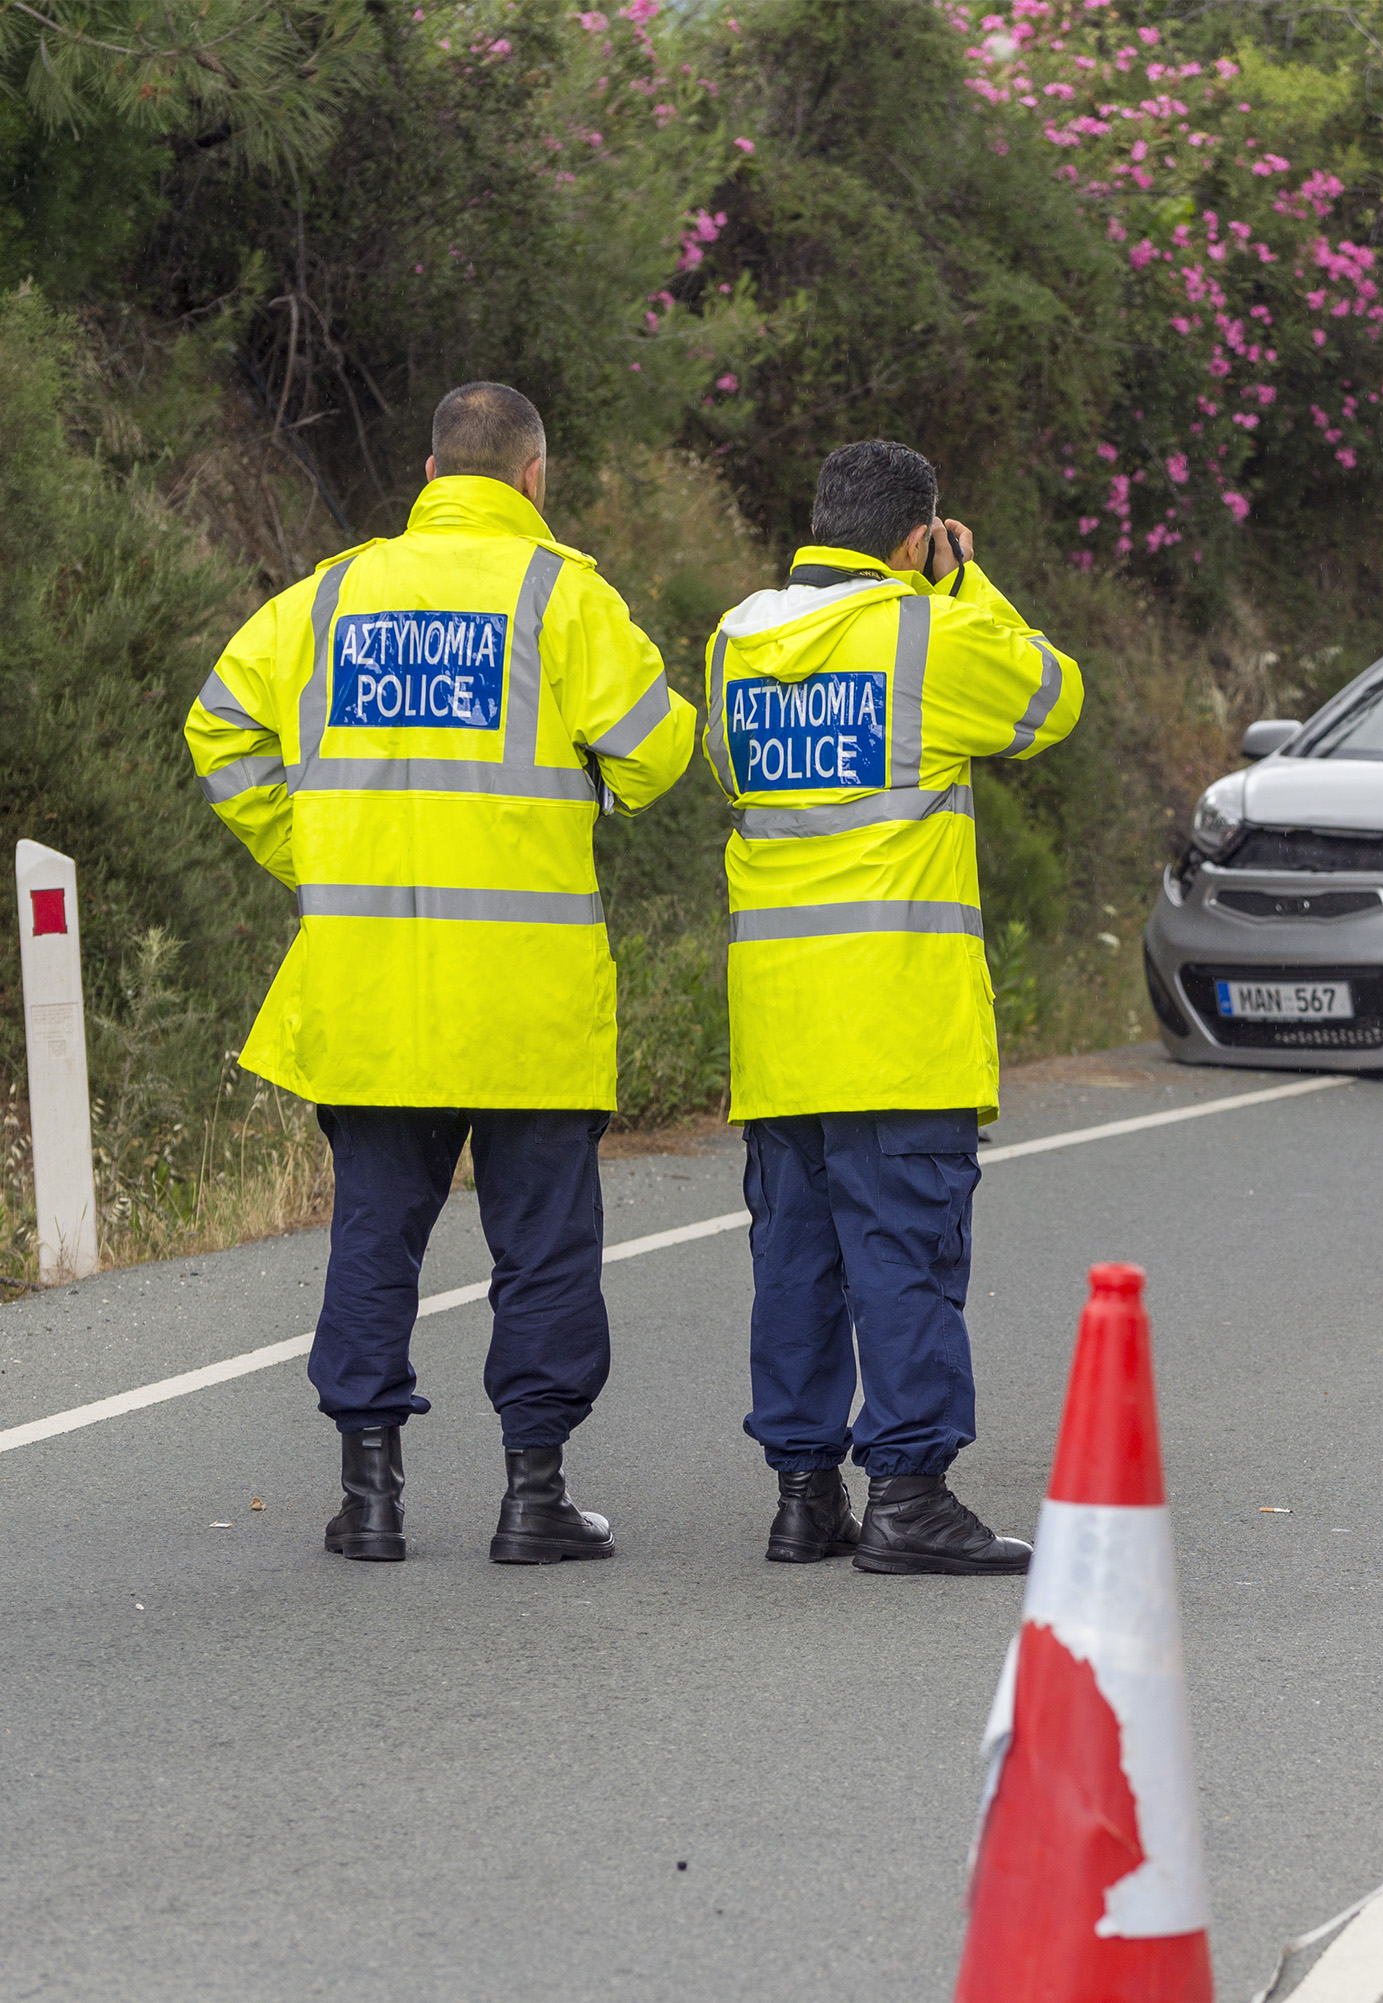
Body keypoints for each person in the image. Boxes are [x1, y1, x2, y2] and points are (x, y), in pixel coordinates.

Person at [186, 382, 696, 1566]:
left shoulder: (328, 597)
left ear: (426, 478)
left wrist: (310, 850)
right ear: (533, 479)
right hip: (528, 993)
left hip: (372, 988)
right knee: (546, 1248)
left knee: (374, 1237)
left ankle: (369, 1502)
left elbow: (218, 725)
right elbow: (658, 749)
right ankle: (535, 1498)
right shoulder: (559, 593)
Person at [707, 440, 1082, 1575]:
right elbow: (1051, 696)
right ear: (915, 537)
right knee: (906, 1259)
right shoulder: (930, 628)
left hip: (779, 1025)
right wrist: (965, 582)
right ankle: (911, 1495)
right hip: (899, 1021)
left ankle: (804, 1495)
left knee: (797, 1264)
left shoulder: (733, 641)